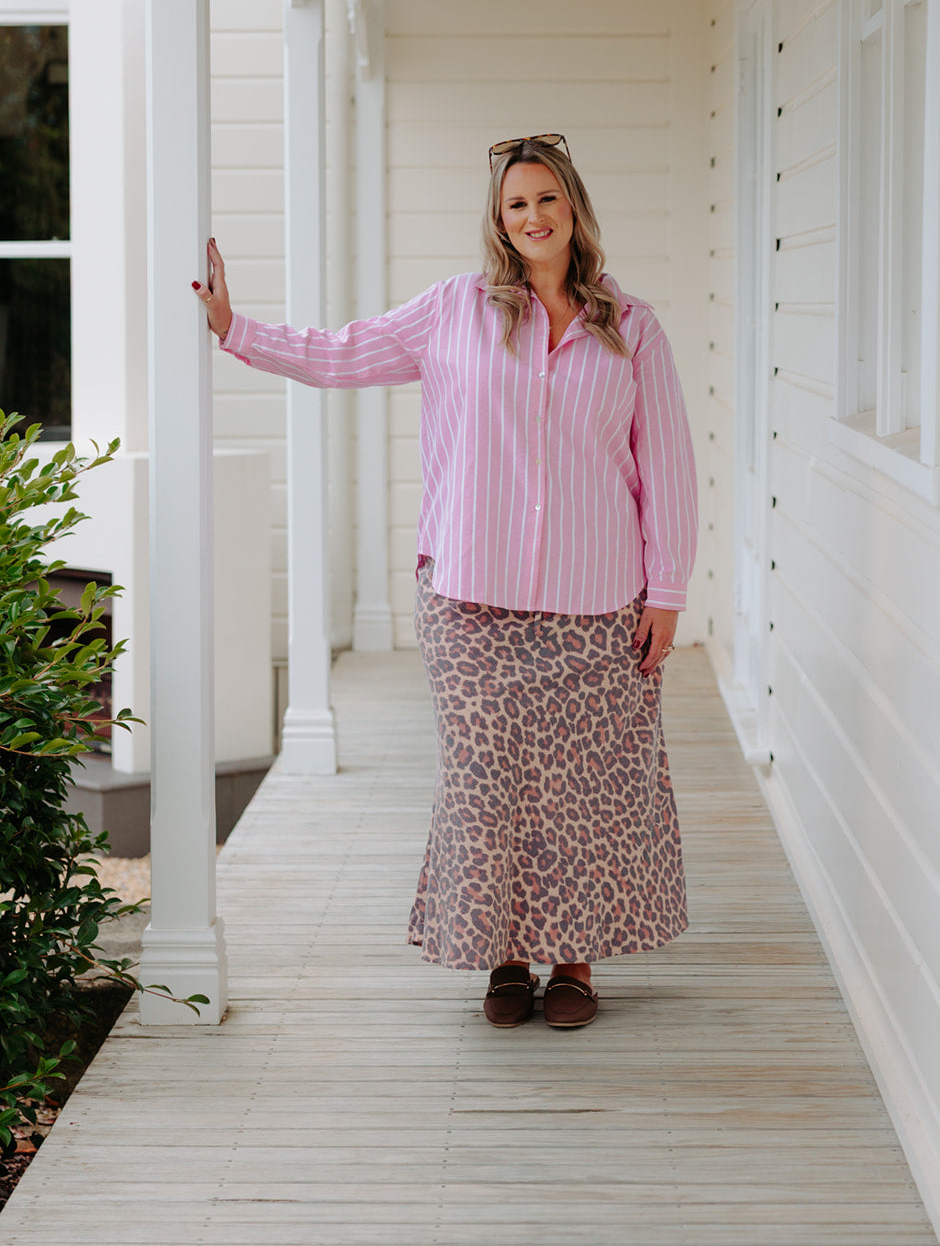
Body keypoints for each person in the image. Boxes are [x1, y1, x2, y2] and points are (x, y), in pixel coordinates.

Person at [193, 133, 698, 1030]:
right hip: (471, 600)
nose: (534, 217)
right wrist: (237, 329)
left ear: (573, 207)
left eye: (547, 198)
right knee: (485, 783)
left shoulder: (633, 327)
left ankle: (574, 961)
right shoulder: (452, 311)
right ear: (498, 221)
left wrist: (667, 592)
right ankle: (504, 957)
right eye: (516, 204)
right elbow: (342, 353)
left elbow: (667, 465)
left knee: (583, 789)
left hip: (596, 603)